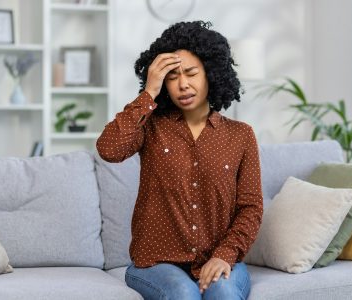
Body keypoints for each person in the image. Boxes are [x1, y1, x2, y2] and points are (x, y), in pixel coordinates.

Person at [96, 20, 263, 300]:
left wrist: (224, 255)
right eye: (172, 76)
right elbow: (109, 149)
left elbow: (250, 208)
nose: (182, 84)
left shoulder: (241, 136)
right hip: (155, 264)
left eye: (191, 73)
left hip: (218, 258)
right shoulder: (150, 127)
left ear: (211, 74)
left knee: (222, 292)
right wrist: (148, 93)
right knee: (184, 294)